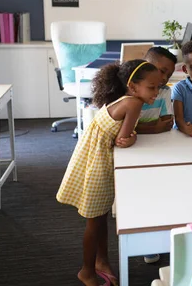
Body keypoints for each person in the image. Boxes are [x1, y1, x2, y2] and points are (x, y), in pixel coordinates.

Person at [56, 59, 162, 286]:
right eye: (152, 87)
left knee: (100, 217)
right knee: (94, 222)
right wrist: (132, 138)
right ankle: (86, 270)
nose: (156, 92)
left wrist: (131, 135)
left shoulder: (125, 99)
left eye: (159, 87)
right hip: (98, 167)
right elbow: (122, 140)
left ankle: (101, 261)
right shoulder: (134, 103)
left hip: (91, 160)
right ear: (133, 87)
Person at [135, 47, 177, 264]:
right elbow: (125, 129)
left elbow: (167, 123)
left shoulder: (165, 92)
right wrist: (152, 127)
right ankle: (146, 241)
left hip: (159, 147)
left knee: (162, 189)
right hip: (133, 149)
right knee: (141, 194)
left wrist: (141, 127)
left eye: (168, 74)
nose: (163, 78)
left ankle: (163, 234)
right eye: (160, 71)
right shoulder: (132, 92)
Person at [136, 47, 177, 135]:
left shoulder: (164, 91)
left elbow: (167, 124)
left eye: (169, 76)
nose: (165, 78)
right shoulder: (131, 89)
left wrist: (139, 126)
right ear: (145, 64)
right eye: (162, 71)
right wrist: (154, 128)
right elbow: (120, 126)